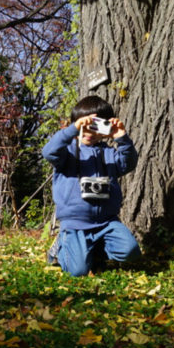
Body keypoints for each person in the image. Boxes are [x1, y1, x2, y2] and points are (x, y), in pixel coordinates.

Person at [42, 95, 142, 276]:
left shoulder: (109, 153)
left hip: (107, 222)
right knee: (79, 271)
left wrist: (122, 138)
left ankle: (94, 252)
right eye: (84, 126)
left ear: (105, 128)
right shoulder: (68, 152)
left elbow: (129, 163)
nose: (89, 131)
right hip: (75, 224)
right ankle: (60, 248)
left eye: (95, 126)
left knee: (131, 251)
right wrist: (72, 130)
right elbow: (49, 152)